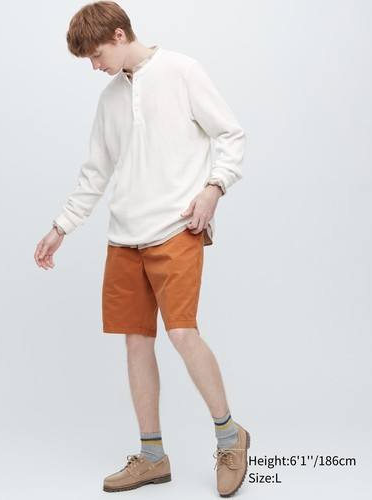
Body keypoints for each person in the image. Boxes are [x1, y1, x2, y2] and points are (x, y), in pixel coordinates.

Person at [34, 1, 249, 496]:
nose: (94, 66)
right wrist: (61, 227)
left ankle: (230, 436)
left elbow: (231, 134)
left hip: (177, 228)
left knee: (183, 333)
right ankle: (152, 456)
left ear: (118, 34)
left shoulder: (182, 71)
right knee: (136, 342)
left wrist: (213, 188)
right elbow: (95, 172)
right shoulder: (109, 98)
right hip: (123, 237)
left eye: (95, 55)